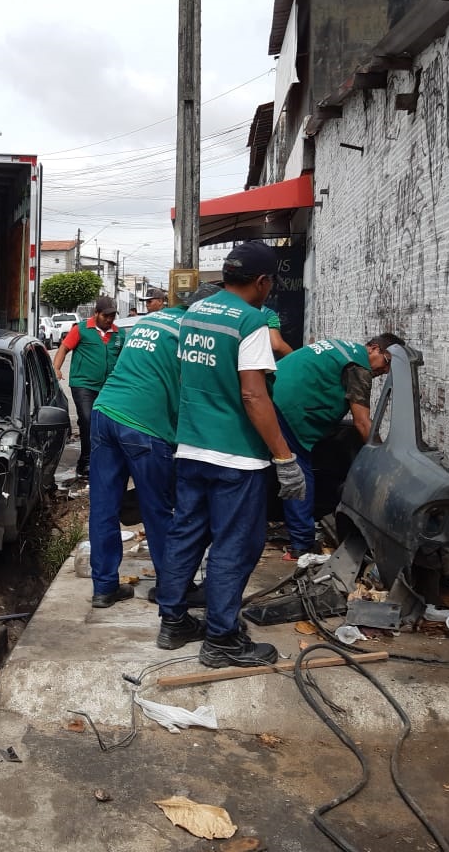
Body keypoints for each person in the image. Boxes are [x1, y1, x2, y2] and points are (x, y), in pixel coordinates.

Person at [155, 242, 306, 667]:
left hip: (191, 447)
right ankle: (221, 639)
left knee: (186, 534)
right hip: (237, 456)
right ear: (262, 282)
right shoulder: (251, 321)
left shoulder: (194, 314)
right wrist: (284, 458)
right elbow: (254, 395)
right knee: (234, 546)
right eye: (269, 283)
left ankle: (173, 622)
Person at [86, 288, 197, 608]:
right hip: (143, 426)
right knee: (157, 509)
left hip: (104, 412)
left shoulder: (151, 321)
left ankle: (104, 588)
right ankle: (170, 588)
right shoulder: (191, 332)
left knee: (104, 506)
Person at [271, 332, 406, 560]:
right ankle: (301, 545)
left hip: (273, 393)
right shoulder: (359, 366)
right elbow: (363, 423)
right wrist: (386, 461)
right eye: (387, 362)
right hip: (289, 409)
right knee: (298, 471)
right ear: (373, 348)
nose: (384, 371)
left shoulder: (344, 349)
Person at [53, 297, 124, 477]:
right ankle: (85, 462)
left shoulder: (119, 334)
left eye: (112, 316)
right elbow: (63, 348)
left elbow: (126, 358)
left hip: (109, 387)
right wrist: (56, 368)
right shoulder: (82, 330)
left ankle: (106, 460)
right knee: (87, 419)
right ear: (96, 314)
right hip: (83, 384)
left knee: (106, 424)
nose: (109, 320)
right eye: (106, 316)